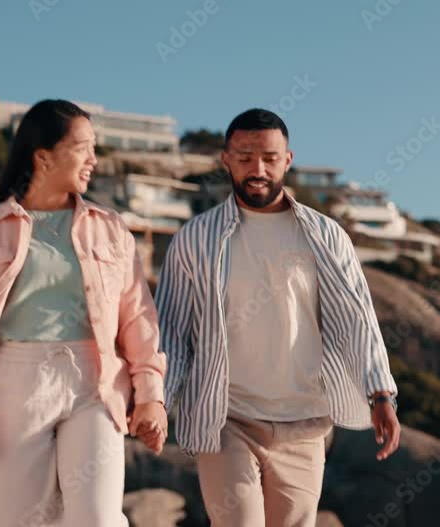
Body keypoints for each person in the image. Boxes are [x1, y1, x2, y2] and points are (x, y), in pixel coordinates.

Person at [156, 108, 401, 526]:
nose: (258, 169)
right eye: (246, 156)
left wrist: (380, 393)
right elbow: (172, 331)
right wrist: (157, 399)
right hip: (226, 417)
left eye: (269, 158)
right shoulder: (195, 238)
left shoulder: (325, 235)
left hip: (305, 423)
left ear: (287, 160)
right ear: (226, 160)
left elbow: (359, 316)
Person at [0, 99, 168, 525]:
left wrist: (150, 396)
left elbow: (138, 319)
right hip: (14, 383)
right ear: (43, 157)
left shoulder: (111, 229)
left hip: (95, 381)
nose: (94, 160)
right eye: (82, 148)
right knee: (16, 519)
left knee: (97, 518)